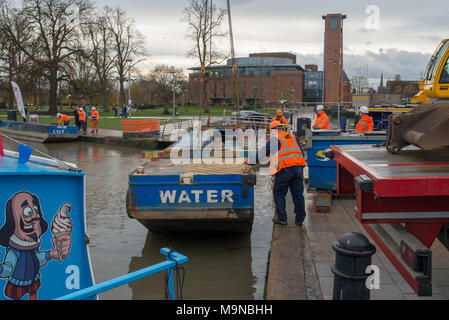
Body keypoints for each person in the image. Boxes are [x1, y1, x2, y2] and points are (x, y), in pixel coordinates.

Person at [258, 121, 308, 226]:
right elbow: (301, 153)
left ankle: (282, 219)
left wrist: (249, 161)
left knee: (278, 193)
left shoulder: (275, 139)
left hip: (285, 170)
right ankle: (300, 219)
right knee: (298, 194)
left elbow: (262, 152)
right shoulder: (293, 136)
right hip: (298, 169)